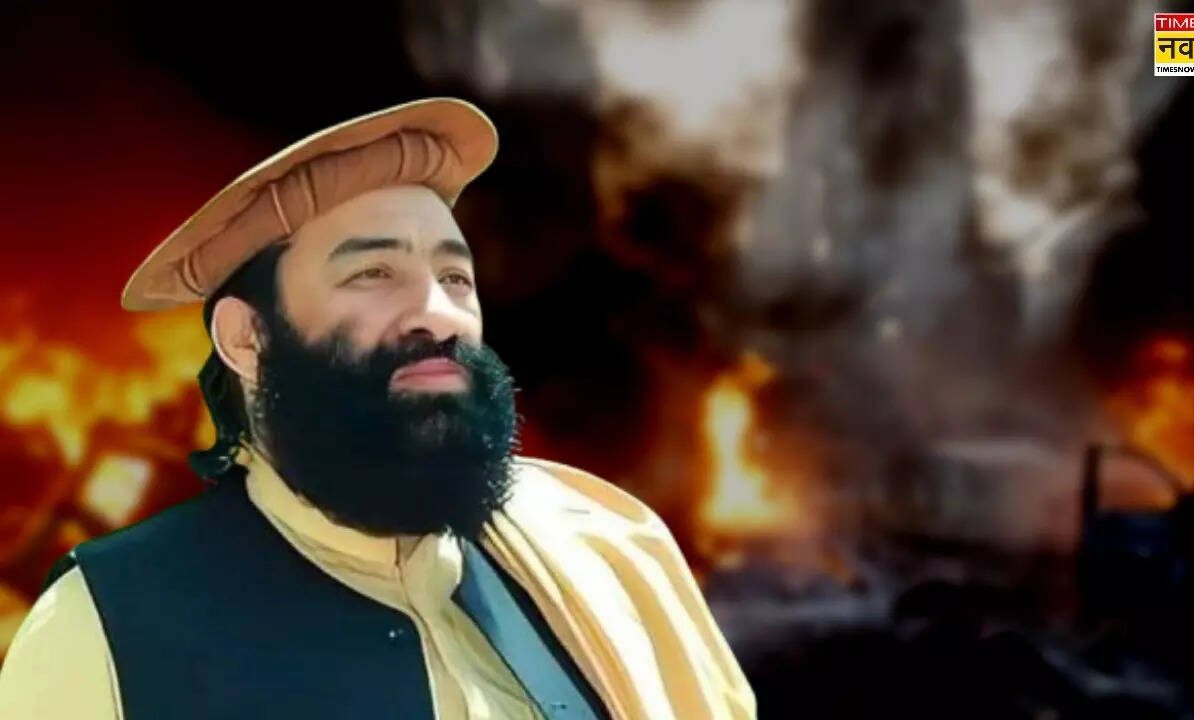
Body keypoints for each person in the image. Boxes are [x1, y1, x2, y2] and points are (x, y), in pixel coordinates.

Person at [0, 98, 755, 719]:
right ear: (246, 337)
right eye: (373, 273)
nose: (438, 315)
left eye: (455, 279)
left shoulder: (607, 546)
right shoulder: (103, 628)